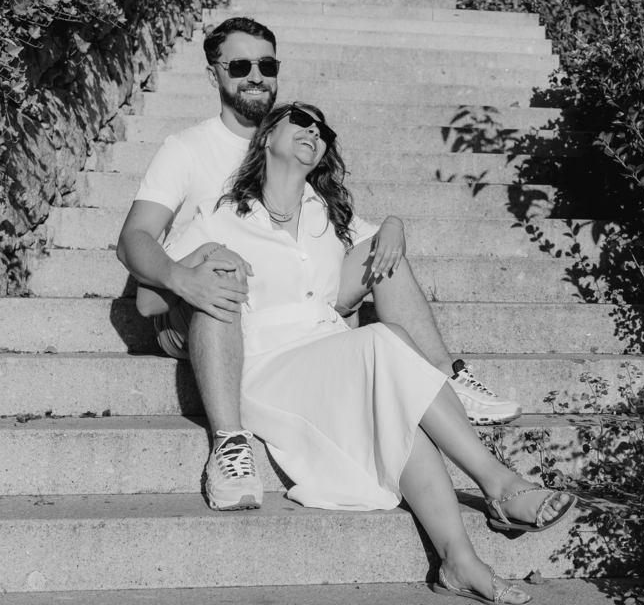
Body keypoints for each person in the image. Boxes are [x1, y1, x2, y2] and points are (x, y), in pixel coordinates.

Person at [151, 102, 573, 604]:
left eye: (323, 130)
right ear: (266, 137)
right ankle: (498, 483)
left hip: (330, 350)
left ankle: (459, 560)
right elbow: (149, 301)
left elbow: (376, 251)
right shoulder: (220, 213)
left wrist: (392, 223)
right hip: (266, 363)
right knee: (385, 340)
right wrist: (203, 256)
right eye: (300, 121)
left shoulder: (325, 213)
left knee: (400, 407)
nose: (314, 131)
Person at [115, 17, 521, 512]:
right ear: (213, 74)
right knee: (224, 274)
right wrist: (182, 276)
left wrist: (391, 225)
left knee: (382, 251)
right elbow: (134, 239)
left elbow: (341, 233)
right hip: (197, 307)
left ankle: (442, 375)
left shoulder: (293, 142)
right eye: (240, 66)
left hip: (287, 303)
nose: (255, 76)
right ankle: (229, 444)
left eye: (267, 65)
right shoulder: (187, 149)